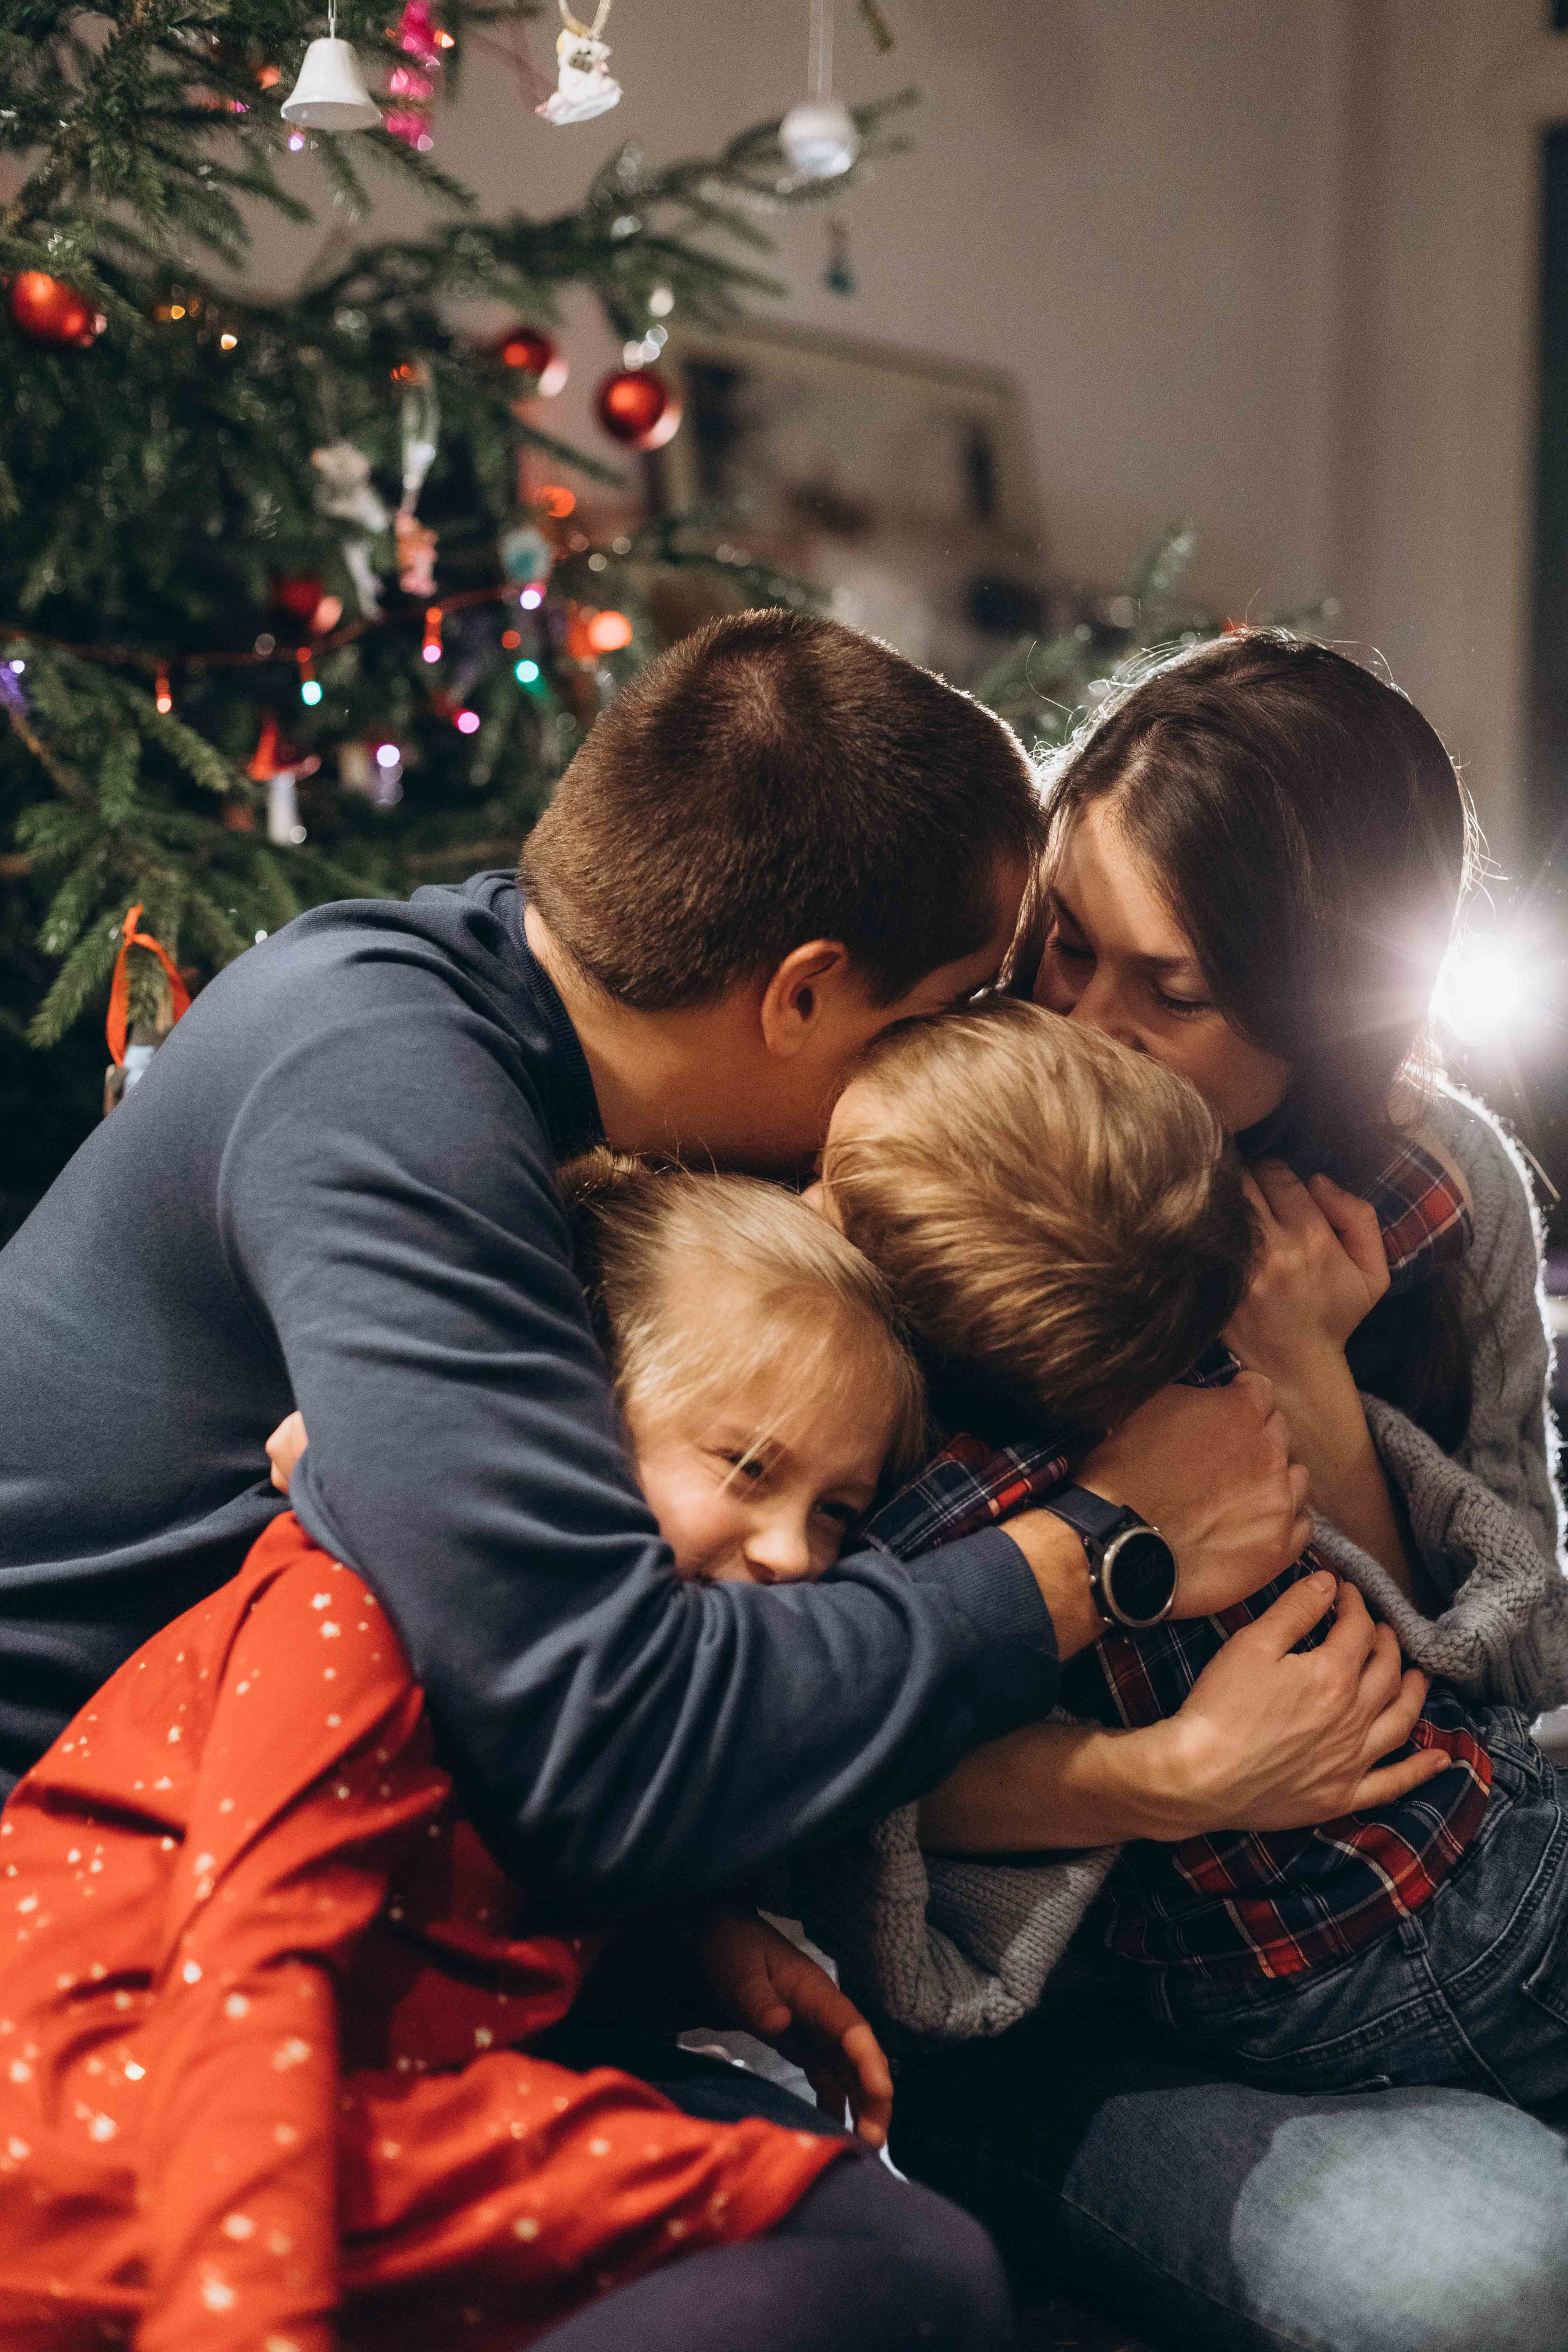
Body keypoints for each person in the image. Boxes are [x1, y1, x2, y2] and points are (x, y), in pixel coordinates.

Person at [848, 633, 1568, 2352]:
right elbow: (786, 1748)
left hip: (1416, 1873)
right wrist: (1159, 1773)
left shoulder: (1432, 1181)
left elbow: (1529, 1666)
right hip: (1059, 2007)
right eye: (1064, 954)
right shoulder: (932, 1192)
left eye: (1168, 992)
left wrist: (1316, 1399)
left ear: (1318, 1005)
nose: (1087, 1029)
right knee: (1499, 2278)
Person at [0, 1158, 1017, 2352]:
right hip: (120, 2123)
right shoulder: (348, 1612)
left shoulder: (589, 1682)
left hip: (327, 2109)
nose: (795, 1555)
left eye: (836, 1512)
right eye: (746, 1469)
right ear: (559, 1425)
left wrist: (682, 1954)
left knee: (889, 2244)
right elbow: (247, 1988)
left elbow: (445, 1908)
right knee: (889, 2257)